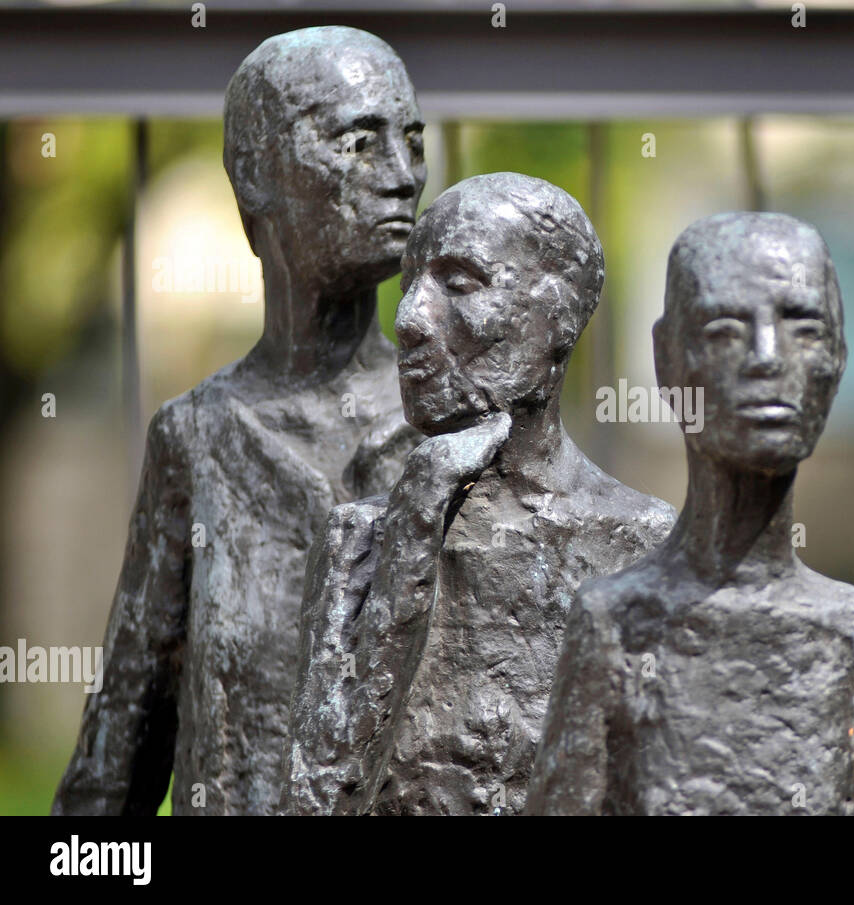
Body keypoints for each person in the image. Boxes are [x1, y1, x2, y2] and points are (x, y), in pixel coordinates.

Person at [53, 26, 426, 815]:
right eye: (361, 142)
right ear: (256, 174)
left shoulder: (451, 425)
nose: (403, 176)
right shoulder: (196, 437)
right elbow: (117, 755)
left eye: (412, 139)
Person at [280, 172, 676, 816]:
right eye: (409, 285)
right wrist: (411, 535)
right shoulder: (362, 541)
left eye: (459, 285)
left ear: (559, 316)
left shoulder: (645, 545)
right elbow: (317, 800)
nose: (409, 320)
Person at [525, 212, 854, 815]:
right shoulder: (614, 624)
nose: (766, 359)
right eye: (726, 330)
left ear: (839, 356)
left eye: (804, 329)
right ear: (667, 358)